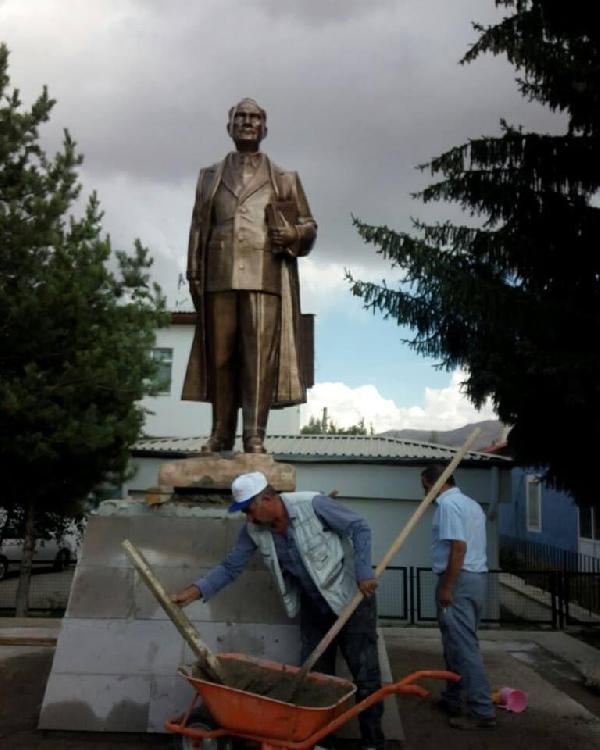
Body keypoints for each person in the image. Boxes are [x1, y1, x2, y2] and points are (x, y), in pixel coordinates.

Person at [171, 470, 385, 750]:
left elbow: (359, 526)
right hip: (314, 607)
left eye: (249, 509)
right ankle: (320, 742)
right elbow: (230, 567)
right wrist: (192, 593)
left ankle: (373, 744)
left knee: (366, 676)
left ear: (268, 499)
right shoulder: (254, 530)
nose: (247, 518)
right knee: (314, 680)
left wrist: (364, 571)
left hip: (351, 601)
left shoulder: (313, 505)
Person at [181, 98, 317, 454]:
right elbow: (199, 227)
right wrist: (194, 271)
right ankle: (220, 434)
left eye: (254, 117)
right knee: (220, 358)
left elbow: (308, 224)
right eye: (240, 116)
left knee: (258, 360)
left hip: (264, 277)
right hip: (218, 276)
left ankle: (254, 435)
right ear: (229, 125)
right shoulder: (208, 176)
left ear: (264, 128)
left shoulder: (284, 178)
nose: (246, 122)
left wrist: (294, 235)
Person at [420, 464, 496, 730]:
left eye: (425, 487)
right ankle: (452, 698)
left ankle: (482, 709)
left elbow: (459, 548)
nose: (424, 494)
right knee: (456, 643)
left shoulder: (448, 506)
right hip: (474, 579)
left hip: (459, 580)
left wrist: (447, 587)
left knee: (463, 646)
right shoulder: (471, 504)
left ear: (434, 483)